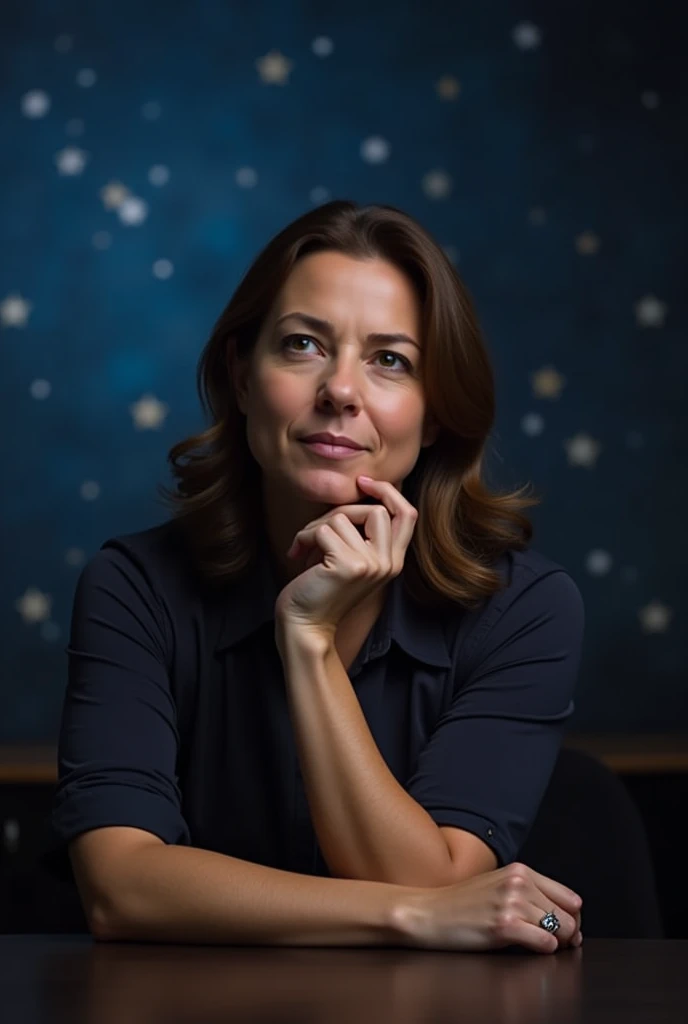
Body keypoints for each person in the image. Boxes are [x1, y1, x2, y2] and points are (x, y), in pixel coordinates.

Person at [47, 200, 585, 953]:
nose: (340, 390)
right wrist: (406, 914)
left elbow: (437, 878)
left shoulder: (526, 608)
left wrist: (308, 641)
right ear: (240, 377)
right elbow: (119, 887)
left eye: (390, 360)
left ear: (434, 416)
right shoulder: (132, 587)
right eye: (303, 344)